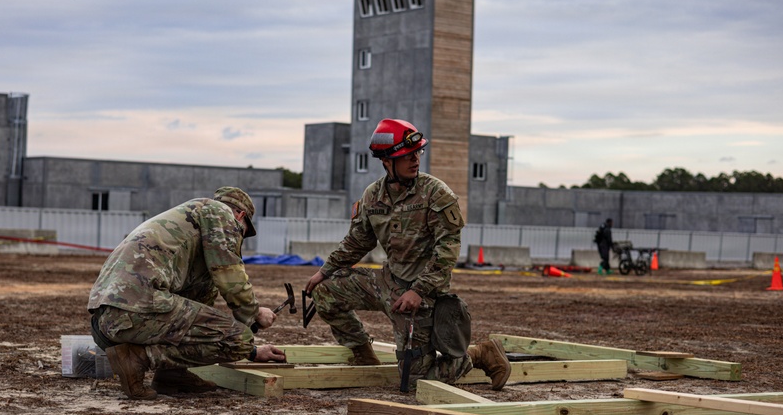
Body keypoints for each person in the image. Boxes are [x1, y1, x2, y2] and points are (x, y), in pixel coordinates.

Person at [304, 119, 511, 391]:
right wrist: (324, 272)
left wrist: (419, 291)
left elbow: (447, 250)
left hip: (422, 295)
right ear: (386, 161)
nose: (415, 159)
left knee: (414, 382)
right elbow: (357, 241)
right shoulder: (373, 196)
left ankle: (480, 354)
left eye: (417, 152)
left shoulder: (435, 193)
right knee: (325, 292)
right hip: (387, 283)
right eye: (407, 155)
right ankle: (363, 354)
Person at [88, 186, 285, 400]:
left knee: (206, 288)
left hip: (106, 322)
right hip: (136, 311)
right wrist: (254, 314)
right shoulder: (220, 213)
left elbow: (199, 300)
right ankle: (137, 359)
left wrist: (254, 350)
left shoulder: (189, 219)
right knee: (241, 340)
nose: (239, 237)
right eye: (243, 232)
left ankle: (173, 375)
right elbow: (229, 274)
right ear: (240, 215)